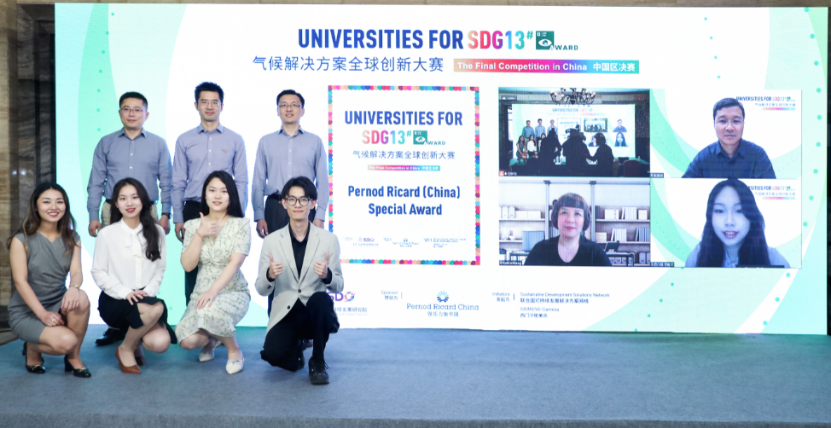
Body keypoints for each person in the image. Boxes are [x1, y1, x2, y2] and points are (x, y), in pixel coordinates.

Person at [86, 91, 173, 347]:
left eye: (137, 109)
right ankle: (117, 324)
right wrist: (93, 215)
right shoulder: (106, 142)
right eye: (126, 108)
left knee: (145, 262)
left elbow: (166, 182)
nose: (132, 113)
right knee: (114, 264)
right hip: (112, 209)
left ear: (147, 114)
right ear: (119, 113)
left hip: (148, 210)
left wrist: (166, 213)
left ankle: (141, 316)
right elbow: (96, 181)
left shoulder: (158, 144)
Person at [257, 177, 343, 385]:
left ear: (312, 203)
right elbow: (261, 288)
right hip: (286, 312)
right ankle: (297, 349)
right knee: (273, 355)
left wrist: (327, 275)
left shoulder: (328, 240)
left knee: (321, 300)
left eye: (303, 199)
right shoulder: (271, 241)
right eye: (292, 199)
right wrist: (269, 275)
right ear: (283, 203)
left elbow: (339, 285)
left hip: (314, 312)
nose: (298, 204)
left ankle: (318, 361)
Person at [252, 90, 328, 323]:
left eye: (294, 104)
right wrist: (259, 214)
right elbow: (258, 180)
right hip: (275, 207)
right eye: (283, 104)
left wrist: (319, 215)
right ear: (277, 110)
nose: (288, 108)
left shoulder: (315, 141)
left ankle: (306, 325)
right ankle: (276, 322)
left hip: (305, 209)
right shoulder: (266, 141)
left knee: (306, 264)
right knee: (276, 263)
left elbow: (323, 181)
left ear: (302, 110)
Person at [172, 82, 249, 305]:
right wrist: (178, 218)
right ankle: (192, 313)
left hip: (224, 210)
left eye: (214, 102)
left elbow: (241, 180)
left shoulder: (235, 139)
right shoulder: (184, 140)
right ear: (196, 105)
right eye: (204, 101)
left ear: (221, 106)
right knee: (192, 266)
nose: (209, 106)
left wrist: (237, 214)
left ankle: (221, 312)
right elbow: (178, 181)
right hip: (194, 209)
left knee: (224, 263)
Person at [91, 178, 175, 374]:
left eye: (134, 197)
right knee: (156, 308)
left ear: (143, 200)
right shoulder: (107, 234)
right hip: (116, 300)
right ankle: (126, 349)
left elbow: (160, 268)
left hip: (145, 298)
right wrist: (125, 292)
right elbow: (98, 271)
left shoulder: (157, 231)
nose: (129, 203)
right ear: (116, 203)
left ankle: (132, 342)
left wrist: (148, 291)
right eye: (123, 198)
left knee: (160, 343)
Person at [7, 183, 91, 377]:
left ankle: (73, 357)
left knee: (81, 297)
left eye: (59, 202)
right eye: (47, 202)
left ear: (65, 206)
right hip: (28, 311)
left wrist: (73, 287)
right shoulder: (21, 240)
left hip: (58, 302)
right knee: (66, 342)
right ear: (36, 207)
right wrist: (43, 314)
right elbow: (20, 282)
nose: (54, 207)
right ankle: (32, 347)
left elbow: (77, 272)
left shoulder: (72, 237)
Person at [176, 171, 251, 374]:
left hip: (232, 290)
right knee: (187, 340)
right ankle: (212, 340)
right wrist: (199, 234)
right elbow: (188, 266)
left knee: (210, 310)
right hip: (201, 293)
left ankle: (234, 350)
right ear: (205, 194)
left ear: (231, 195)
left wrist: (213, 291)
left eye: (223, 191)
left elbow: (235, 263)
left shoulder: (241, 224)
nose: (217, 196)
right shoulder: (192, 225)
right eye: (212, 190)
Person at [686, 179, 790, 268]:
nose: (729, 222)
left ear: (752, 216)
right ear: (710, 217)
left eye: (739, 211)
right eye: (719, 211)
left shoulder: (773, 259)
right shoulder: (697, 256)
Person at [683, 98, 775, 179]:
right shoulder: (704, 157)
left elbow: (771, 190)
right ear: (714, 124)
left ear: (743, 124)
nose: (729, 128)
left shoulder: (757, 155)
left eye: (736, 121)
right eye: (723, 121)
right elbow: (684, 187)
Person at [524, 193, 611, 266]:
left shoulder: (595, 252)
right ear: (556, 217)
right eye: (564, 212)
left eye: (577, 214)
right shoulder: (540, 250)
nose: (570, 220)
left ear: (585, 220)